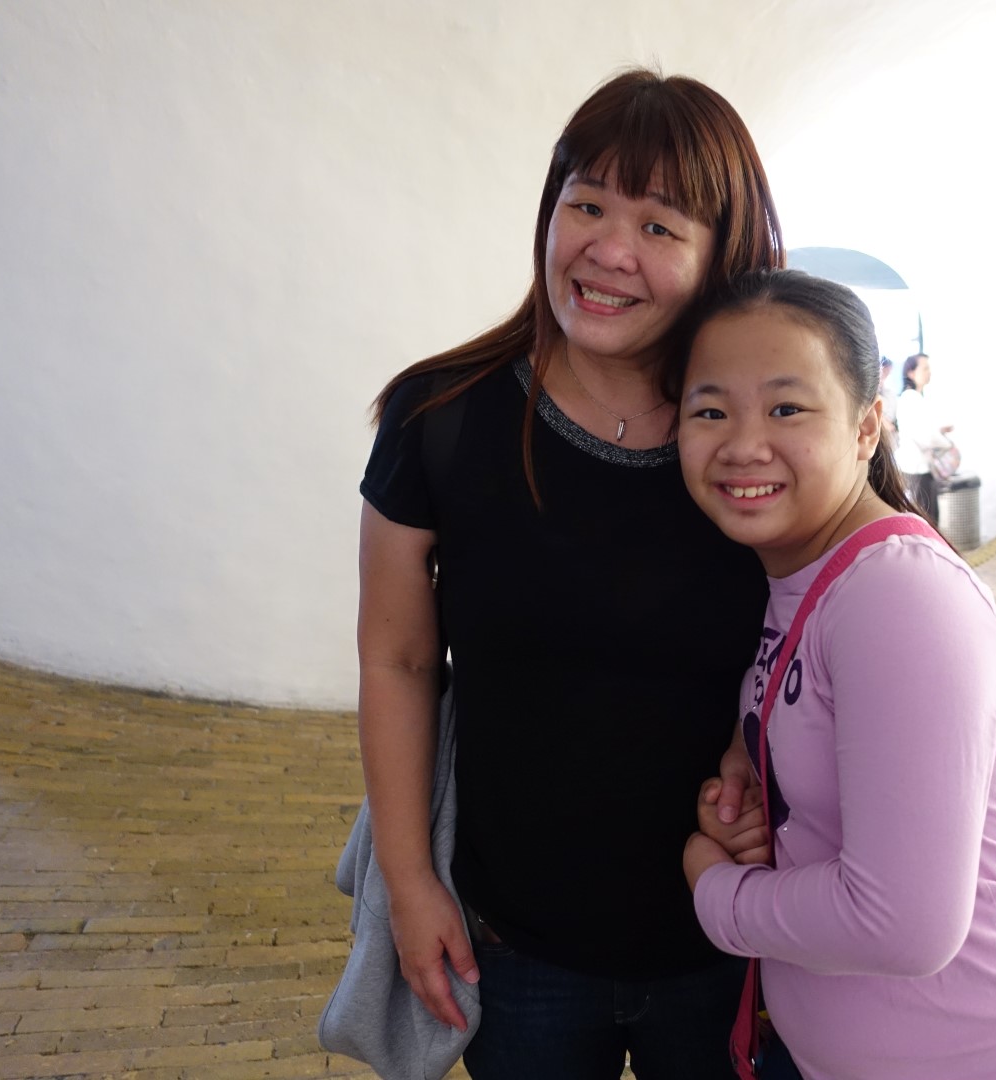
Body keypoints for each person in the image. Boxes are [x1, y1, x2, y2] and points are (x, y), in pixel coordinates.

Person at [354, 69, 783, 1079]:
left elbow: (863, 612)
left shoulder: (765, 445)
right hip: (515, 950)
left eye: (660, 226)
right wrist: (411, 884)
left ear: (723, 254)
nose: (608, 249)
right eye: (586, 204)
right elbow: (398, 660)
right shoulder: (441, 417)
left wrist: (752, 746)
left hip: (733, 939)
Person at [677, 269, 996, 1080]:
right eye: (710, 411)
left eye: (786, 408)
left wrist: (716, 893)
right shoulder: (799, 573)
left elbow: (903, 926)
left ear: (866, 427)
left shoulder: (895, 594)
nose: (743, 444)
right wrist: (754, 781)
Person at [892, 352, 951, 523]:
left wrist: (939, 432)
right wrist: (945, 443)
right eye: (925, 368)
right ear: (911, 373)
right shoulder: (911, 398)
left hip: (919, 468)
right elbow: (925, 436)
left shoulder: (914, 397)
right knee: (926, 519)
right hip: (916, 469)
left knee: (927, 517)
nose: (929, 372)